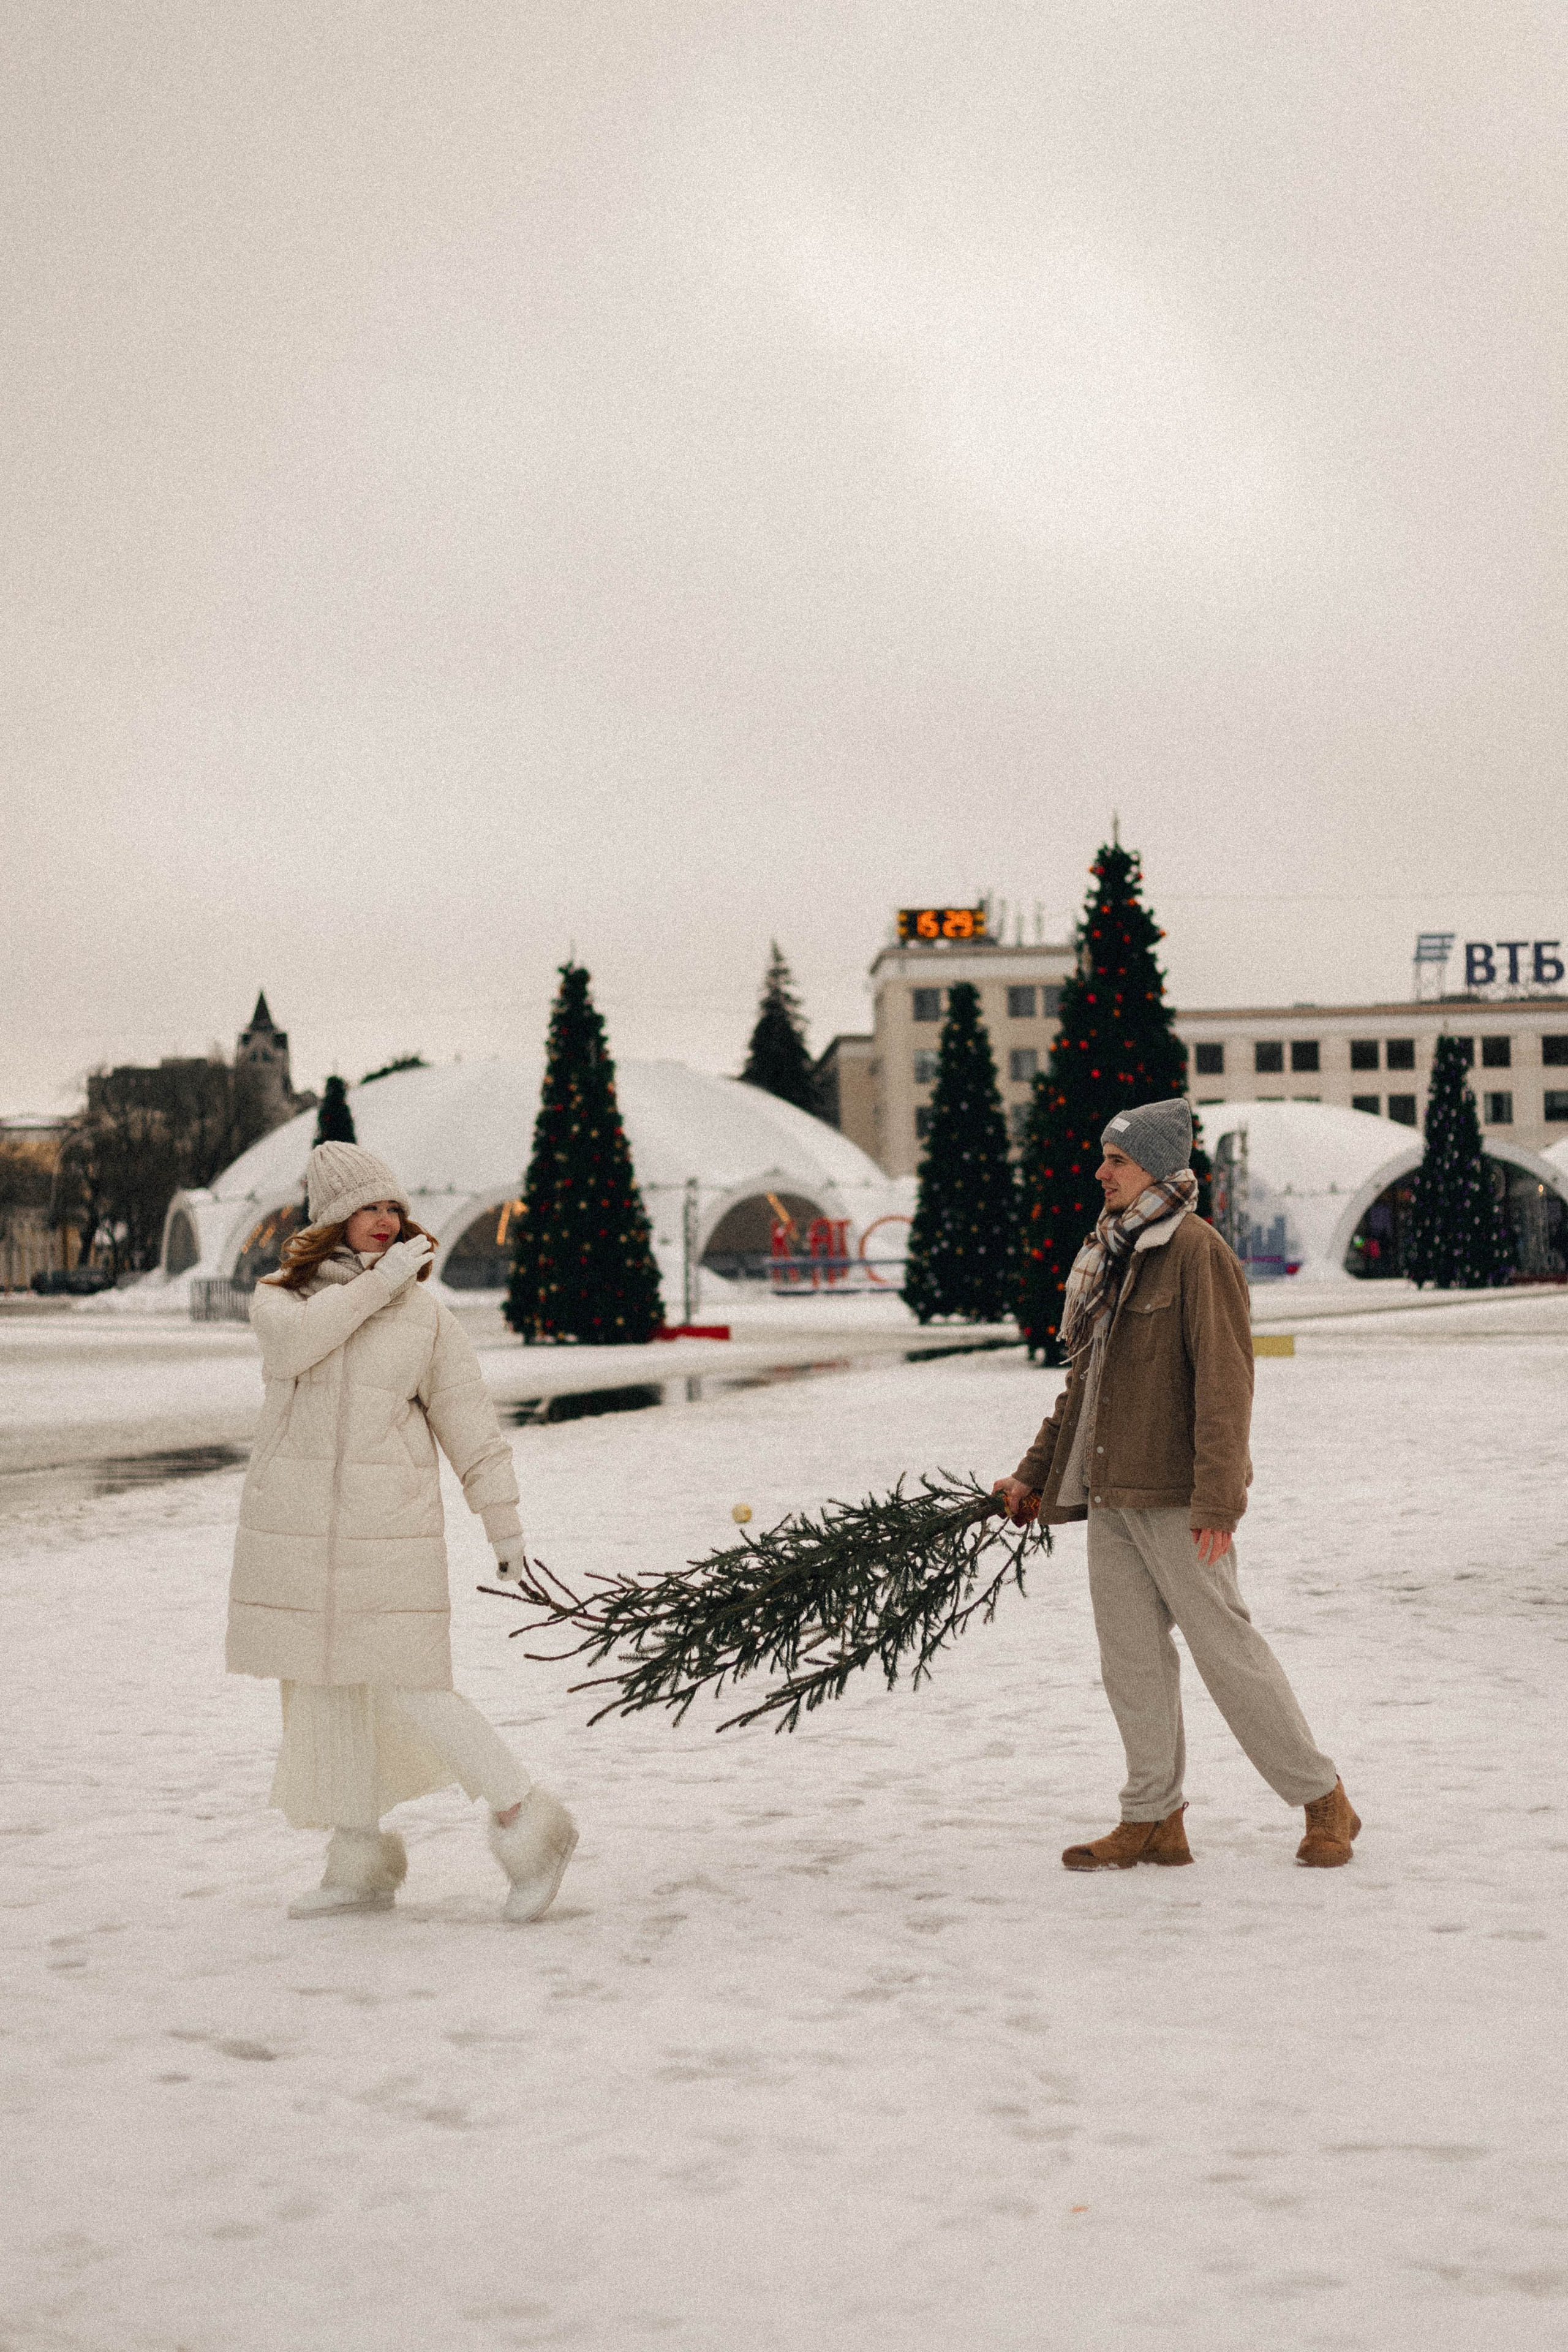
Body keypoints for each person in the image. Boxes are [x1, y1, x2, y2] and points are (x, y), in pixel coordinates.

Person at [995, 1098, 1359, 1871]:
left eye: (1117, 1161)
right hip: (1111, 1495)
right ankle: (1153, 1817)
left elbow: (1227, 1385)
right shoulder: (1111, 1254)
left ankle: (1323, 1799)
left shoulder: (1196, 1252)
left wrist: (1219, 1501)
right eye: (1103, 1159)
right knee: (1130, 1665)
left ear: (1158, 1168)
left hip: (1179, 1500)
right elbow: (1083, 1388)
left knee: (1229, 1657)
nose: (1101, 1174)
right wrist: (1033, 1474)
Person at [227, 1140, 578, 1921]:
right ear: (333, 1218)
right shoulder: (280, 1301)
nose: (386, 1221)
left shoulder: (423, 1317)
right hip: (297, 1534)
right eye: (368, 1207)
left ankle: (530, 1827)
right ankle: (358, 1867)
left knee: (412, 1684)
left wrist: (502, 1520)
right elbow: (298, 1348)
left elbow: (469, 1421)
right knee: (323, 1692)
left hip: (388, 1532)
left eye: (394, 1207)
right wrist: (381, 1283)